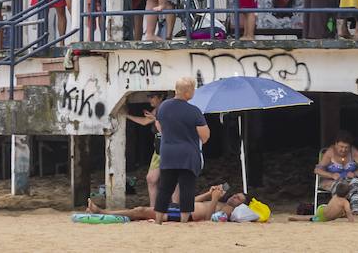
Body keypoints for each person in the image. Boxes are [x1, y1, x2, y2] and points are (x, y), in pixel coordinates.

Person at [153, 76, 211, 223]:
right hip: (188, 154)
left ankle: (158, 220)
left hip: (168, 153)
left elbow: (159, 126)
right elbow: (204, 136)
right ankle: (184, 221)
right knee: (187, 188)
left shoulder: (163, 107)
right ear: (188, 92)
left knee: (165, 188)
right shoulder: (194, 111)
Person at [86, 184, 246, 223]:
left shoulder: (229, 210)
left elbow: (209, 218)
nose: (234, 198)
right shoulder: (220, 201)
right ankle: (103, 212)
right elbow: (191, 201)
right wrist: (209, 194)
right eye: (236, 195)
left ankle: (102, 212)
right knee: (140, 210)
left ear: (241, 205)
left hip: (186, 215)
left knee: (141, 210)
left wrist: (215, 199)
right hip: (182, 207)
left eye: (239, 199)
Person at [125, 91, 167, 209]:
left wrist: (154, 118)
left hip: (168, 147)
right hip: (159, 148)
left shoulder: (166, 107)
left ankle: (172, 207)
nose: (150, 100)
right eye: (149, 97)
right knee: (151, 178)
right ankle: (153, 208)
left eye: (152, 97)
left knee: (170, 179)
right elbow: (145, 121)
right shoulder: (157, 109)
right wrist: (126, 116)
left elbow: (169, 126)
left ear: (161, 97)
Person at [314, 130, 358, 210]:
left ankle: (356, 210)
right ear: (336, 144)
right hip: (332, 181)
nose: (343, 150)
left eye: (346, 147)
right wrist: (331, 175)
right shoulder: (330, 152)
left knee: (356, 183)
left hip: (349, 180)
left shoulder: (353, 152)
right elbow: (317, 170)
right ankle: (339, 210)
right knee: (339, 186)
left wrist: (355, 173)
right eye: (341, 147)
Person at [288, 181, 355, 222]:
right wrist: (351, 220)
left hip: (322, 208)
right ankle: (297, 218)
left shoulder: (335, 196)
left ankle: (295, 218)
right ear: (347, 194)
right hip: (324, 217)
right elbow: (348, 212)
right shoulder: (345, 202)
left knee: (338, 209)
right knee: (311, 218)